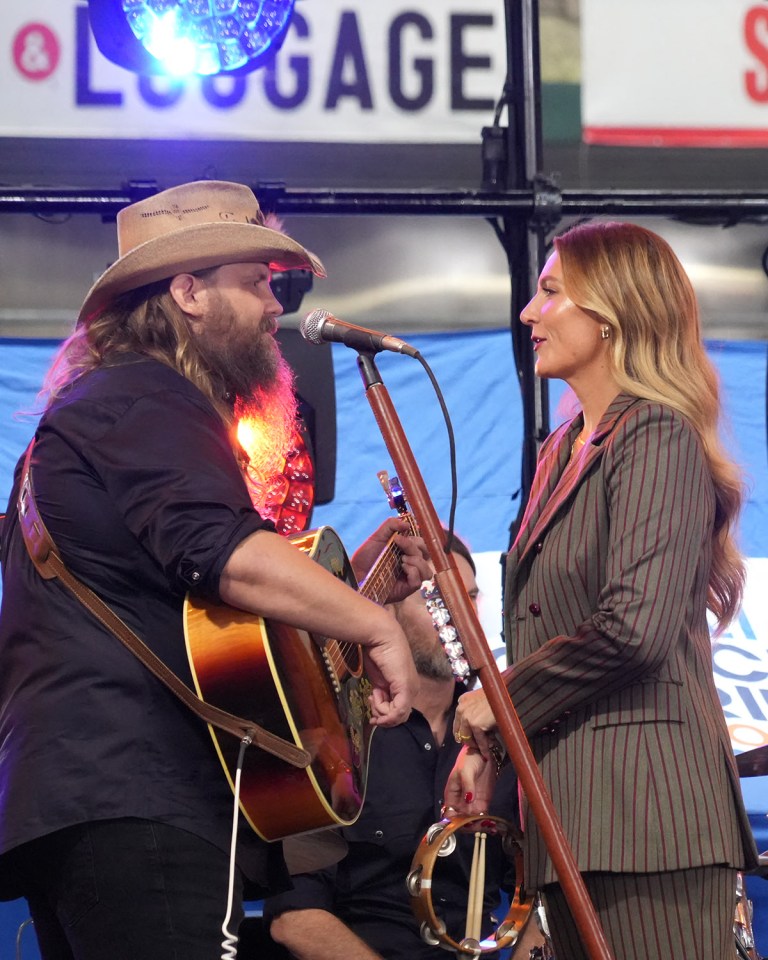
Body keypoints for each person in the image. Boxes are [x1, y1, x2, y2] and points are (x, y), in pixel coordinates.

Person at [0, 180, 432, 960]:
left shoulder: (98, 411)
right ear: (189, 293)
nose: (277, 306)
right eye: (257, 282)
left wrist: (348, 583)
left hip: (88, 794)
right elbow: (223, 554)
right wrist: (372, 623)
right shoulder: (145, 397)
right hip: (142, 797)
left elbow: (193, 618)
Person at [445, 220, 760, 960]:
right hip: (570, 818)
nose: (527, 311)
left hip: (648, 820)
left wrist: (503, 701)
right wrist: (493, 742)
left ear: (612, 314)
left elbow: (634, 629)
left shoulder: (657, 435)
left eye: (552, 291)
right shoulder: (560, 451)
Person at [260, 532, 526, 960]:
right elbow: (295, 917)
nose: (462, 616)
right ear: (385, 616)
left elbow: (537, 898)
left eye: (471, 597)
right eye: (436, 600)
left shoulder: (502, 736)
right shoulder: (337, 735)